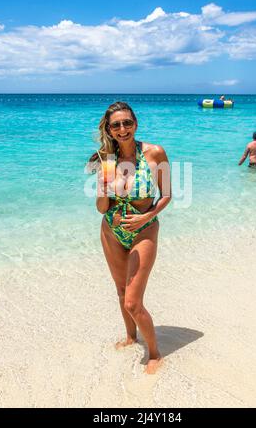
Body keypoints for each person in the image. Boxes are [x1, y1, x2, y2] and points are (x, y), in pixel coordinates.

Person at [88, 101, 172, 374]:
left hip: (144, 230)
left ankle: (155, 354)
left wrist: (145, 217)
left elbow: (167, 194)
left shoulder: (155, 153)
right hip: (111, 231)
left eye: (127, 123)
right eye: (116, 125)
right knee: (121, 291)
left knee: (132, 301)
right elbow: (103, 208)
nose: (123, 129)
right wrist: (102, 190)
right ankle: (130, 337)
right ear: (109, 130)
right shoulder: (107, 160)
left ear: (135, 123)